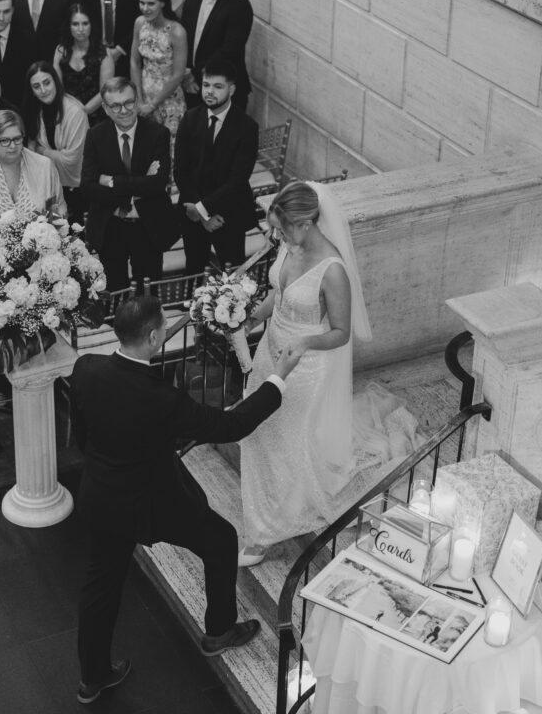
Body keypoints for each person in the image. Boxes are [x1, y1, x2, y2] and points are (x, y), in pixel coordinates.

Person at [70, 293, 295, 702]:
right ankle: (219, 631)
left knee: (100, 587)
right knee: (222, 539)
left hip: (103, 498)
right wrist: (277, 379)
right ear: (154, 337)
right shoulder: (162, 398)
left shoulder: (86, 368)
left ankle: (92, 678)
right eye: (163, 326)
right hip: (158, 501)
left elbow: (82, 433)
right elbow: (232, 425)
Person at [238, 181, 378, 565]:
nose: (276, 238)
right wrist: (252, 317)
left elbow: (341, 332)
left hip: (307, 363)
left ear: (305, 223)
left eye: (281, 230)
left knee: (287, 440)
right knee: (257, 430)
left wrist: (304, 343)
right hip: (270, 351)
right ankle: (263, 501)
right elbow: (279, 294)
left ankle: (264, 532)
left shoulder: (332, 270)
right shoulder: (291, 245)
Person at [80, 77, 178, 291]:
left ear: (137, 101)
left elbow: (158, 183)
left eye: (128, 102)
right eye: (115, 105)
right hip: (110, 226)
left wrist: (112, 181)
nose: (124, 110)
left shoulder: (157, 133)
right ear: (105, 109)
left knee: (148, 292)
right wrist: (137, 188)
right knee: (114, 290)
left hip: (148, 225)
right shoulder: (95, 135)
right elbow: (88, 187)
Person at [174, 59, 258, 275]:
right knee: (193, 271)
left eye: (218, 86)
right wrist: (201, 215)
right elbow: (180, 171)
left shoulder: (247, 127)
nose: (210, 91)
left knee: (233, 275)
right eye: (206, 85)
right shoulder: (190, 119)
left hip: (228, 215)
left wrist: (205, 209)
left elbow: (238, 179)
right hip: (193, 213)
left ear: (232, 89)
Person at [0, 109, 65, 239]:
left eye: (17, 139)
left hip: (41, 247)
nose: (12, 146)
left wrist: (52, 239)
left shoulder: (44, 166)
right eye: (5, 140)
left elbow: (58, 208)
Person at [181, 0, 254, 111]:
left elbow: (230, 50)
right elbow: (184, 39)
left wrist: (194, 75)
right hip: (192, 88)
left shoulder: (239, 4)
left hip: (225, 91)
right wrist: (185, 73)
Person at [22, 61, 88, 221]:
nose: (43, 90)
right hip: (47, 185)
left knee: (73, 232)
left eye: (47, 83)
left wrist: (41, 151)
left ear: (56, 81)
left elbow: (71, 159)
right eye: (36, 86)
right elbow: (29, 150)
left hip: (75, 187)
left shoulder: (76, 112)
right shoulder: (35, 110)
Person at [129, 0, 186, 157]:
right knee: (145, 152)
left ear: (162, 3)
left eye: (151, 4)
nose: (145, 8)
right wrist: (139, 98)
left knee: (169, 153)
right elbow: (134, 61)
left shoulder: (177, 31)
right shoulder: (140, 23)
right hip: (143, 97)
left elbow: (178, 75)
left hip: (169, 101)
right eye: (142, 3)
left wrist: (153, 104)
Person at [53, 4, 114, 126]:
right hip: (67, 114)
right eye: (75, 24)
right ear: (69, 26)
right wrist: (69, 112)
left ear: (91, 25)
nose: (81, 29)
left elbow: (105, 92)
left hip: (96, 116)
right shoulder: (61, 51)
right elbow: (57, 87)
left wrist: (83, 112)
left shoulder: (103, 53)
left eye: (85, 23)